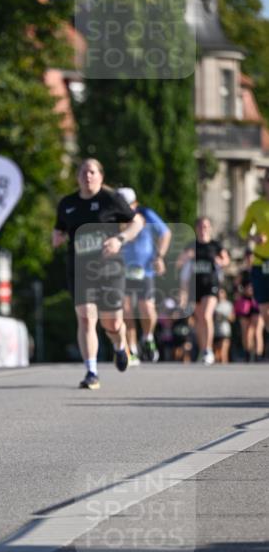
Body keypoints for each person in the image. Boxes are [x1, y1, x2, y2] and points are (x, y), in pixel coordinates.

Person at [52, 159, 144, 390]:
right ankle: (91, 371)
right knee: (85, 317)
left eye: (92, 172)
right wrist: (57, 237)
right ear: (77, 176)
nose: (87, 176)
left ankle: (120, 345)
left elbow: (137, 223)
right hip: (80, 268)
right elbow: (59, 228)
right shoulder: (67, 203)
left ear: (101, 176)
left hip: (110, 268)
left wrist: (119, 239)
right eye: (83, 172)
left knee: (111, 322)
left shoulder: (111, 199)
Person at [116, 187, 171, 365]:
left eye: (127, 205)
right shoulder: (113, 217)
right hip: (121, 269)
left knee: (146, 307)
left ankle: (147, 337)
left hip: (144, 269)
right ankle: (131, 348)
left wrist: (160, 256)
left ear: (135, 204)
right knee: (126, 310)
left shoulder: (145, 214)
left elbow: (165, 233)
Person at [177, 216, 229, 365]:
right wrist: (186, 257)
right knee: (200, 320)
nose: (203, 229)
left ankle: (208, 349)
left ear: (210, 228)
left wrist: (220, 261)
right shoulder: (191, 246)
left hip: (211, 285)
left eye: (206, 226)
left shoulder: (215, 245)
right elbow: (179, 263)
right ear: (196, 229)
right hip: (196, 286)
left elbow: (226, 260)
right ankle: (202, 350)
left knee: (207, 315)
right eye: (200, 226)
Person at [238, 168, 269, 351]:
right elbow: (243, 230)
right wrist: (254, 238)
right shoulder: (256, 206)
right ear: (264, 183)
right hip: (260, 263)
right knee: (265, 310)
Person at [213, 287, 234, 364]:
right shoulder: (213, 302)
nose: (220, 294)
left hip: (225, 330)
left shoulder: (228, 304)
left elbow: (232, 318)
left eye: (222, 292)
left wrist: (224, 316)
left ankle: (225, 370)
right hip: (215, 330)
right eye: (219, 292)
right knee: (216, 353)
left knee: (224, 352)